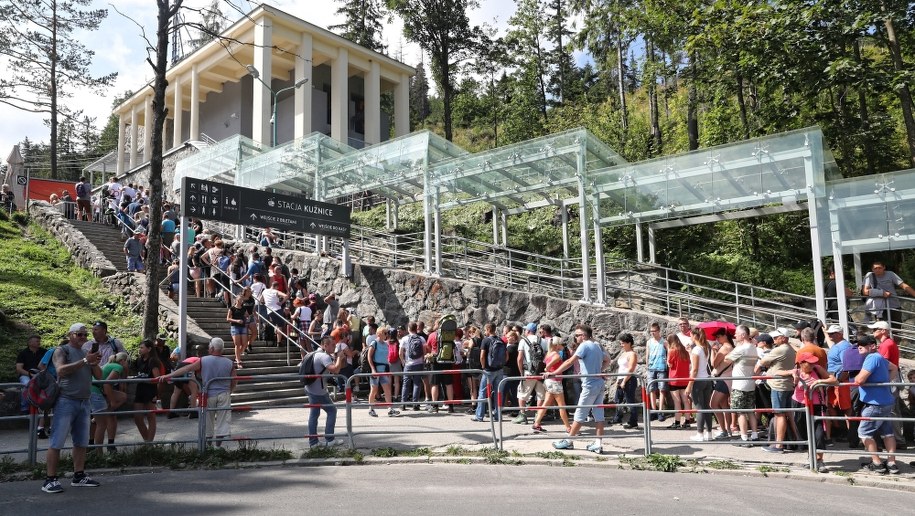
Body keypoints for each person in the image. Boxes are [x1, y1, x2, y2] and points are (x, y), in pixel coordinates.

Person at [817, 335, 900, 474]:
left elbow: (859, 380)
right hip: (885, 402)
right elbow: (894, 368)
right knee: (887, 433)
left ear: (872, 346)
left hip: (874, 404)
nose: (859, 346)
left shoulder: (871, 358)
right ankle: (892, 463)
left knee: (863, 433)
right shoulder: (879, 358)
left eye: (863, 344)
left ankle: (877, 464)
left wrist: (859, 378)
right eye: (857, 344)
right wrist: (884, 381)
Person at [42, 323, 102, 494]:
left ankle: (79, 475)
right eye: (79, 334)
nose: (83, 337)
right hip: (65, 400)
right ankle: (50, 479)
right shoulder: (62, 350)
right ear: (70, 335)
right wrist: (84, 361)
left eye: (85, 335)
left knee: (81, 442)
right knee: (57, 441)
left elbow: (99, 376)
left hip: (84, 401)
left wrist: (93, 363)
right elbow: (60, 371)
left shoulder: (85, 352)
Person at [546, 324, 611, 453]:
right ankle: (598, 443)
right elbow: (608, 360)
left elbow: (569, 362)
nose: (575, 338)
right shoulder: (597, 345)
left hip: (589, 385)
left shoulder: (584, 345)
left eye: (577, 335)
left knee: (580, 413)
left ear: (583, 336)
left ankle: (569, 441)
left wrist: (554, 373)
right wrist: (599, 371)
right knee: (599, 414)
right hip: (598, 383)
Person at [160, 338, 236, 446]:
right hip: (224, 394)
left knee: (208, 420)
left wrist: (168, 376)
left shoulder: (203, 360)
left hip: (208, 394)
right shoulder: (229, 363)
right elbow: (234, 380)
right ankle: (218, 445)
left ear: (212, 348)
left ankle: (209, 445)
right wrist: (230, 391)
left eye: (210, 346)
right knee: (223, 420)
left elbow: (186, 369)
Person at [714, 325, 759, 445]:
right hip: (750, 384)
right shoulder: (753, 347)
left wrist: (716, 371)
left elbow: (727, 359)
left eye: (737, 333)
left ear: (743, 335)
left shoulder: (741, 349)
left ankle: (744, 437)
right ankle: (754, 435)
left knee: (740, 412)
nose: (734, 335)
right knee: (750, 410)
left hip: (739, 385)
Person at [756, 329, 798, 453]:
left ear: (784, 338)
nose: (774, 340)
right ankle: (797, 440)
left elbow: (763, 361)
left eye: (776, 338)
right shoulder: (790, 349)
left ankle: (779, 445)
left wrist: (770, 364)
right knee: (787, 414)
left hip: (779, 385)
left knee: (779, 414)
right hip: (786, 385)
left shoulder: (780, 349)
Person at [304, 336, 346, 447]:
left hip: (310, 388)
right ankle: (329, 439)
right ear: (325, 345)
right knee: (332, 411)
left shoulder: (314, 354)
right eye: (332, 344)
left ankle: (313, 442)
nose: (335, 346)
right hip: (319, 392)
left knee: (314, 415)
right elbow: (336, 370)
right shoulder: (324, 357)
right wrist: (340, 358)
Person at [531, 337, 571, 433]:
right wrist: (548, 369)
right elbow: (548, 367)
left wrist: (548, 368)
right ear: (557, 345)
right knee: (561, 406)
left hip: (549, 382)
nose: (563, 345)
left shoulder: (548, 354)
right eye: (561, 344)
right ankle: (568, 427)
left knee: (546, 404)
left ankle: (536, 423)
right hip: (555, 382)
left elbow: (546, 364)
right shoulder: (556, 355)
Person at [91, 352, 129, 454]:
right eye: (127, 362)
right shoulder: (118, 367)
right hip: (95, 391)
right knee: (101, 425)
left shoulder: (109, 364)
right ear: (123, 361)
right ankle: (98, 453)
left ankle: (107, 411)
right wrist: (112, 401)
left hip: (97, 390)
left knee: (123, 396)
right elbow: (107, 384)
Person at [862, 261, 915, 331]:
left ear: (884, 267)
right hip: (880, 308)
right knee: (883, 330)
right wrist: (881, 293)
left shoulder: (890, 274)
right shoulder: (869, 276)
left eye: (879, 268)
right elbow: (865, 292)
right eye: (875, 268)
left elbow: (903, 285)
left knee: (897, 329)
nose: (877, 270)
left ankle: (895, 342)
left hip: (894, 306)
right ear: (872, 269)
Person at [471, 323, 506, 422]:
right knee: (498, 392)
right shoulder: (500, 340)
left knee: (482, 392)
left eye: (485, 329)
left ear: (488, 329)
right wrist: (501, 364)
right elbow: (506, 355)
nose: (484, 331)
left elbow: (482, 355)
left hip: (488, 371)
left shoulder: (485, 340)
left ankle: (479, 416)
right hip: (499, 370)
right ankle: (497, 415)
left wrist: (483, 367)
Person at [514, 323, 547, 425]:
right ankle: (538, 416)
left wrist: (521, 372)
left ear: (527, 331)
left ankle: (522, 415)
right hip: (541, 372)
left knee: (522, 394)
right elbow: (546, 357)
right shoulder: (543, 341)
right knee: (541, 395)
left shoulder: (523, 341)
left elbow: (520, 358)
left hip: (528, 372)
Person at [367, 327, 401, 417]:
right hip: (376, 369)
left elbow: (386, 358)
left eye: (387, 333)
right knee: (374, 390)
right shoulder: (374, 343)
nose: (387, 335)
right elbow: (369, 356)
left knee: (387, 389)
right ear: (379, 334)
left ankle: (390, 409)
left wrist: (388, 369)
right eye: (385, 333)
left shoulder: (386, 344)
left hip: (384, 370)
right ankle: (371, 409)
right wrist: (373, 369)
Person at [133, 340, 162, 442]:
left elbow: (157, 378)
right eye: (139, 347)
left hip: (150, 391)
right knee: (137, 417)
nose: (140, 350)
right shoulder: (139, 360)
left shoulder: (153, 361)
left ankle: (149, 443)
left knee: (151, 417)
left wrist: (157, 395)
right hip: (140, 390)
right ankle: (148, 441)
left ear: (149, 349)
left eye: (142, 348)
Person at [687, 329, 714, 442]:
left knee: (699, 408)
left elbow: (695, 369)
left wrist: (689, 386)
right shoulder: (705, 347)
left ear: (694, 336)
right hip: (707, 379)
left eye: (690, 336)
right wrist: (689, 352)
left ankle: (700, 433)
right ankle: (709, 433)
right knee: (706, 407)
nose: (690, 338)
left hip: (698, 381)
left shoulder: (696, 350)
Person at [610, 333, 639, 429]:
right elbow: (621, 368)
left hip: (629, 379)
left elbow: (630, 369)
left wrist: (624, 381)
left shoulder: (632, 354)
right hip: (621, 378)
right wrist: (618, 380)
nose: (621, 345)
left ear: (629, 343)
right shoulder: (623, 354)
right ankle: (617, 417)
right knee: (618, 399)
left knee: (630, 400)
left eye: (623, 343)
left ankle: (633, 421)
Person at [666, 334, 693, 429]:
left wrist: (668, 351)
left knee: (677, 401)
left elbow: (670, 365)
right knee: (686, 401)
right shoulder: (685, 351)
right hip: (685, 379)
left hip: (674, 379)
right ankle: (687, 421)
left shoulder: (672, 351)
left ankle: (677, 422)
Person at [400, 322, 428, 411]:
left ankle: (403, 404)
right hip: (419, 364)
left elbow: (400, 353)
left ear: (408, 328)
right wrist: (423, 361)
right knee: (417, 384)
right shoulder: (421, 339)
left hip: (408, 364)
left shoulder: (404, 339)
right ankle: (415, 404)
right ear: (416, 328)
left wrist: (403, 361)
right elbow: (424, 352)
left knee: (406, 384)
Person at [645, 322, 669, 422]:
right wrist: (647, 365)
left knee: (662, 389)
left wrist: (667, 361)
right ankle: (654, 410)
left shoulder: (664, 342)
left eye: (654, 331)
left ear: (659, 331)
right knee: (652, 389)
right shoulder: (649, 342)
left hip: (661, 367)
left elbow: (669, 352)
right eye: (651, 331)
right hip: (651, 368)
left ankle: (660, 411)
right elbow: (647, 354)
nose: (653, 333)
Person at [16, 335, 44, 414]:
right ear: (30, 343)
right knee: (26, 385)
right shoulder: (23, 353)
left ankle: (42, 407)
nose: (39, 343)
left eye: (39, 341)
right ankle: (24, 408)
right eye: (37, 341)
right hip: (26, 375)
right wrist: (30, 374)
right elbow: (19, 368)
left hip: (40, 374)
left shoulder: (44, 352)